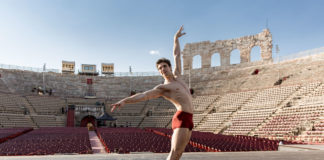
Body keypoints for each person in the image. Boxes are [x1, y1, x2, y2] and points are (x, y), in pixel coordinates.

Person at [111, 26, 193, 160]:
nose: (162, 69)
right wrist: (125, 100)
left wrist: (175, 39)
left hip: (190, 118)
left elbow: (177, 55)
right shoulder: (163, 87)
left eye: (164, 66)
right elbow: (144, 95)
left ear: (170, 67)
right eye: (160, 68)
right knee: (174, 153)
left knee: (178, 154)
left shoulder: (178, 76)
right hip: (182, 117)